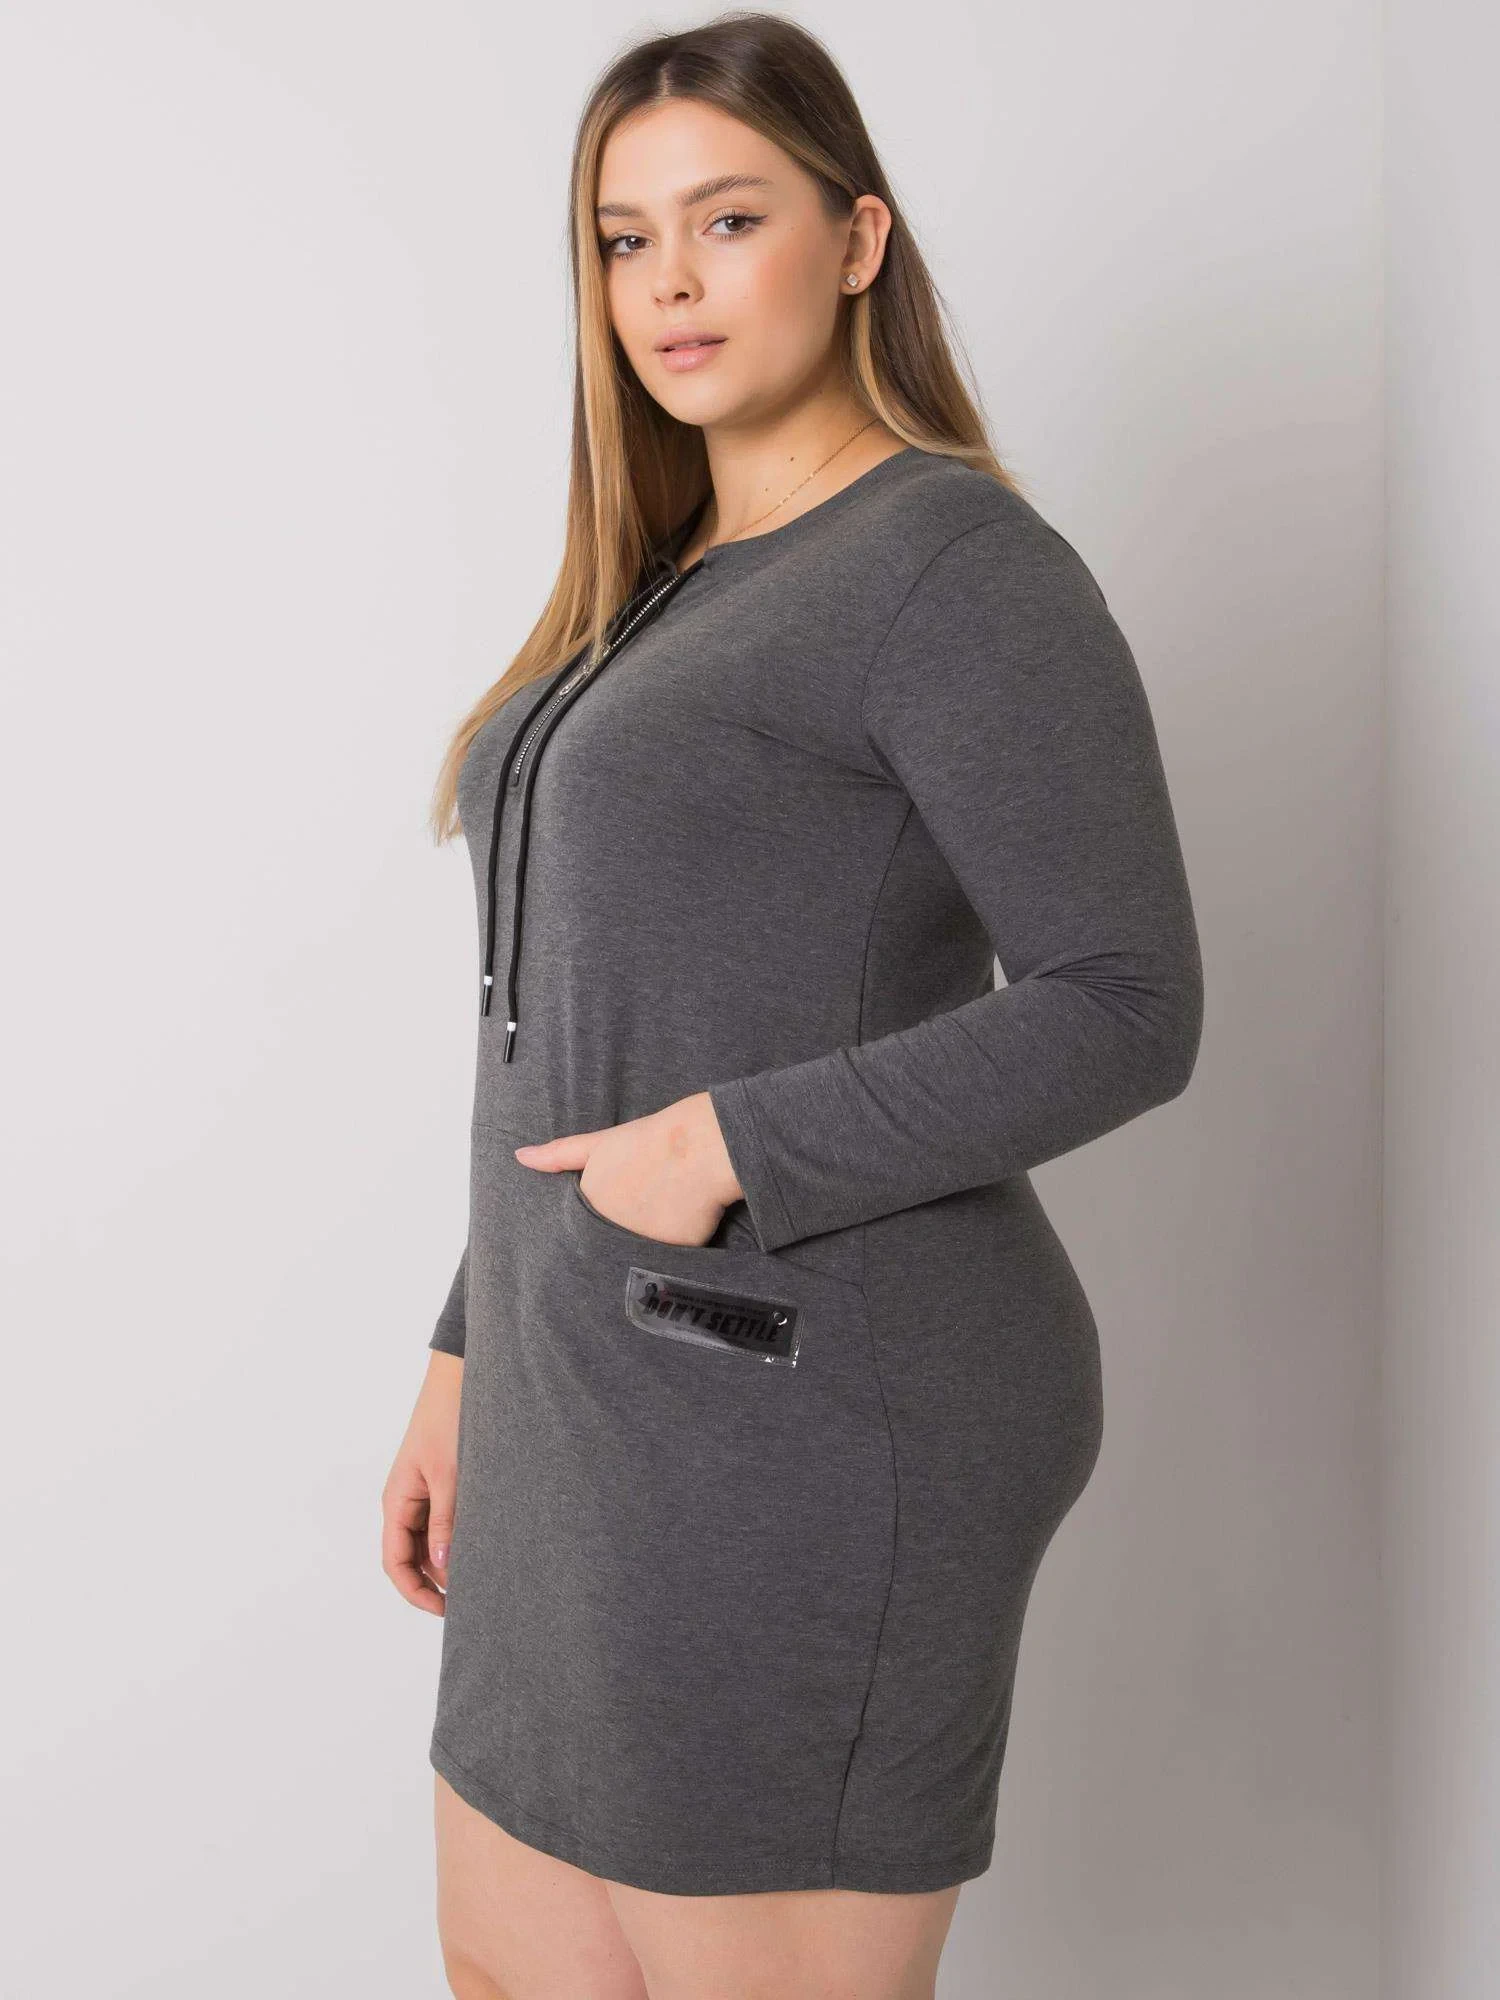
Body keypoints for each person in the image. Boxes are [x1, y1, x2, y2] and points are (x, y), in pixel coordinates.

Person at [382, 13, 1204, 1998]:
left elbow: (1125, 999)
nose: (669, 281)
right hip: (582, 1396)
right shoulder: (659, 580)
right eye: (624, 238)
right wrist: (466, 1354)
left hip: (803, 1405)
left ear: (857, 240)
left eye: (727, 219)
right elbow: (579, 1020)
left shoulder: (952, 567)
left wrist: (728, 1145)